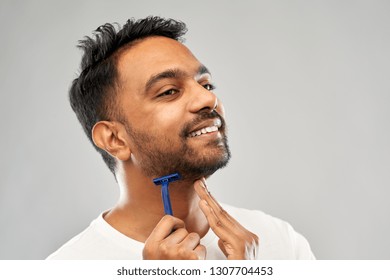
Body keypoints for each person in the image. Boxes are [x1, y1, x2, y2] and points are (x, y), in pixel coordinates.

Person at [47, 16, 315, 260]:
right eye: (168, 91)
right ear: (115, 139)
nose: (208, 99)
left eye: (206, 84)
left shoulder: (281, 243)